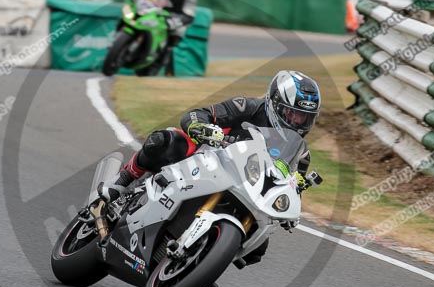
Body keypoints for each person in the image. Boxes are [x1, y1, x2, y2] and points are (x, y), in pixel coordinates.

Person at [98, 70, 321, 264]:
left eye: (304, 118)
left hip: (247, 191)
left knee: (258, 249)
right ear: (274, 103)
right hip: (206, 160)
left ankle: (203, 258)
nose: (296, 121)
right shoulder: (247, 107)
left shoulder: (299, 153)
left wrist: (294, 193)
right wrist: (200, 126)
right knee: (164, 141)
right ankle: (123, 180)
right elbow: (199, 114)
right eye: (293, 113)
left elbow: (291, 184)